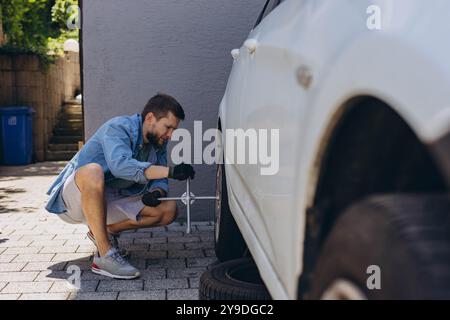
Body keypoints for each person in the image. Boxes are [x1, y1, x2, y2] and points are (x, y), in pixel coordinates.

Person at [45, 93, 195, 279]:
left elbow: (159, 178)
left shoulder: (158, 142)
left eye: (174, 129)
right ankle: (104, 255)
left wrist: (157, 191)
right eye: (168, 127)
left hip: (109, 198)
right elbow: (121, 166)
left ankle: (103, 232)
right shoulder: (118, 127)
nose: (171, 134)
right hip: (74, 200)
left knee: (168, 209)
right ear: (150, 118)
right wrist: (171, 171)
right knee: (94, 171)